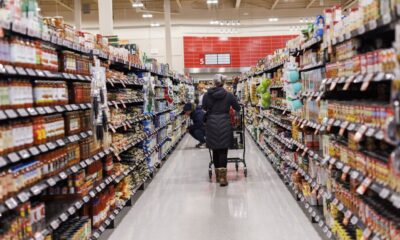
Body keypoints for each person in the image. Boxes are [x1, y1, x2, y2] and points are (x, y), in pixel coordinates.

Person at [202, 74, 240, 187]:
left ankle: (217, 176)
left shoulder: (206, 95)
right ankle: (223, 178)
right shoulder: (228, 95)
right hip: (224, 123)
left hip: (211, 123)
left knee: (215, 149)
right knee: (223, 150)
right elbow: (237, 108)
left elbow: (204, 108)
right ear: (223, 83)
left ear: (214, 83)